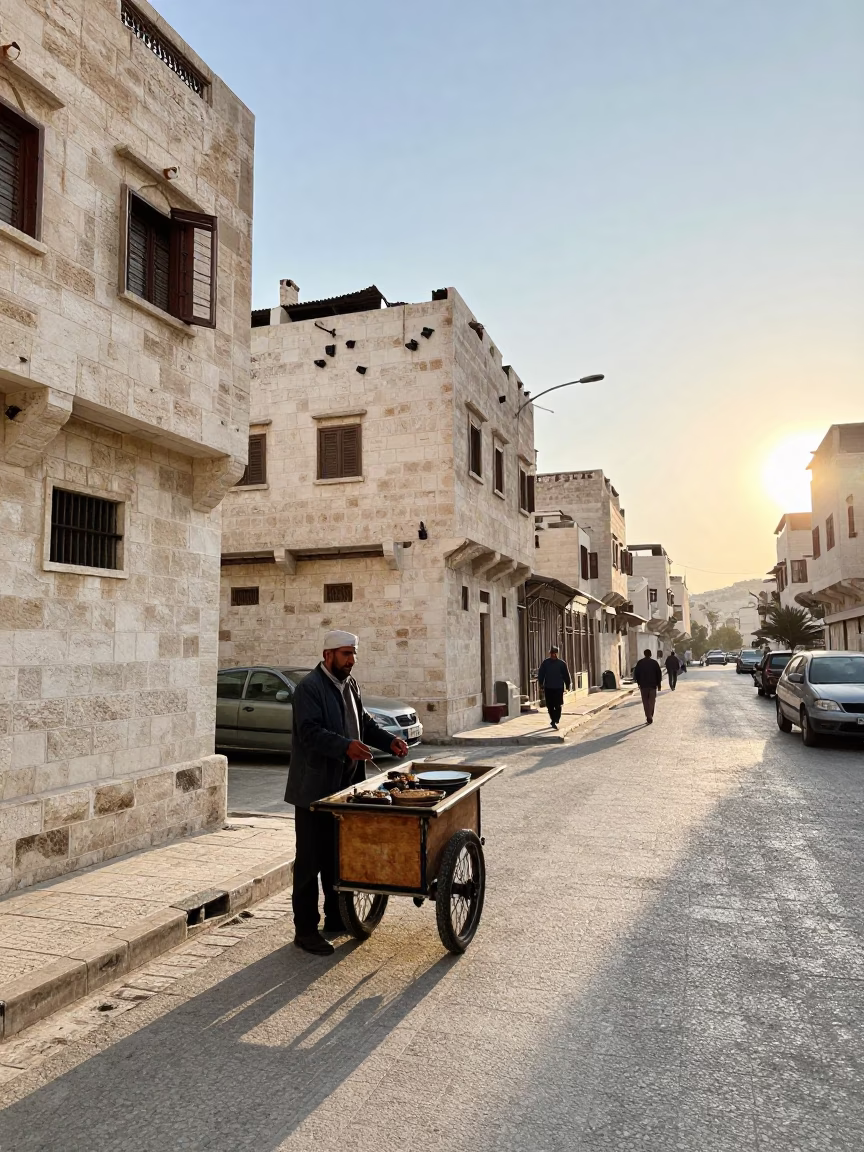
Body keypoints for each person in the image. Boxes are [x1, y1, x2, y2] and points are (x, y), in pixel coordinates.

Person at [284, 630, 409, 955]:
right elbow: (309, 733)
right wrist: (345, 747)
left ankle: (336, 917)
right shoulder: (308, 689)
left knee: (336, 856)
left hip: (346, 788)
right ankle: (306, 931)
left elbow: (363, 722)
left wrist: (387, 741)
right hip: (313, 790)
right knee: (310, 861)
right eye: (345, 654)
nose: (351, 660)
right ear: (328, 655)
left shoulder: (350, 684)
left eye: (353, 654)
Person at [537, 646, 572, 730]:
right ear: (550, 654)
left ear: (557, 654)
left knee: (558, 704)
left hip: (558, 687)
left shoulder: (561, 663)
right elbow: (541, 674)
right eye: (552, 653)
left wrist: (567, 685)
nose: (554, 655)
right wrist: (541, 684)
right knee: (549, 705)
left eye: (555, 653)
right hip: (548, 687)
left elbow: (566, 675)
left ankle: (557, 718)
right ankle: (553, 720)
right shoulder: (545, 663)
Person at [633, 648, 663, 724]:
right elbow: (659, 674)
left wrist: (638, 683)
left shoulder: (640, 663)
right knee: (652, 702)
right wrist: (659, 684)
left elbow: (636, 673)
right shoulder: (654, 663)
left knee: (645, 702)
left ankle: (648, 716)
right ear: (650, 654)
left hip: (643, 686)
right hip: (653, 686)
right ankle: (650, 716)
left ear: (644, 654)